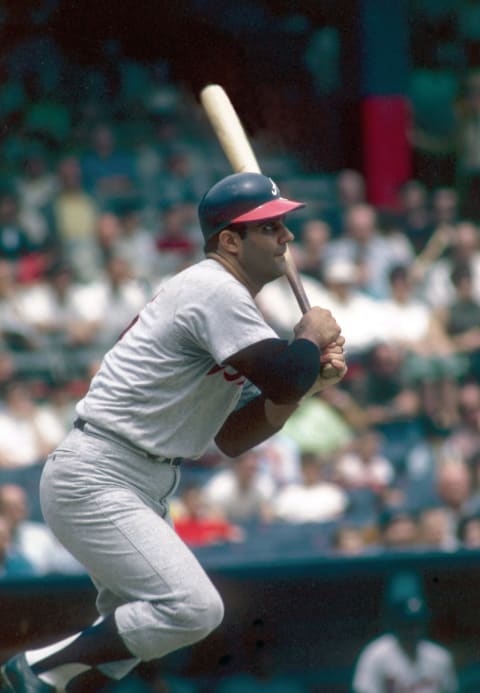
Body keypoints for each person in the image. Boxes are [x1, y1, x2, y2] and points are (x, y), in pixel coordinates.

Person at [0, 171, 347, 693]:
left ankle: (49, 681)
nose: (287, 238)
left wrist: (309, 383)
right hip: (101, 471)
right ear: (230, 241)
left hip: (136, 478)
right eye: (270, 227)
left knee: (121, 649)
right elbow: (284, 374)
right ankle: (33, 669)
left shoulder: (229, 303)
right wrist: (308, 338)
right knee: (192, 608)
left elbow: (235, 435)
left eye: (284, 226)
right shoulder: (213, 287)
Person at [352, 571, 458, 692]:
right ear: (396, 623)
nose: (413, 630)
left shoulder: (439, 658)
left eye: (417, 623)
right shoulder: (376, 655)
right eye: (407, 624)